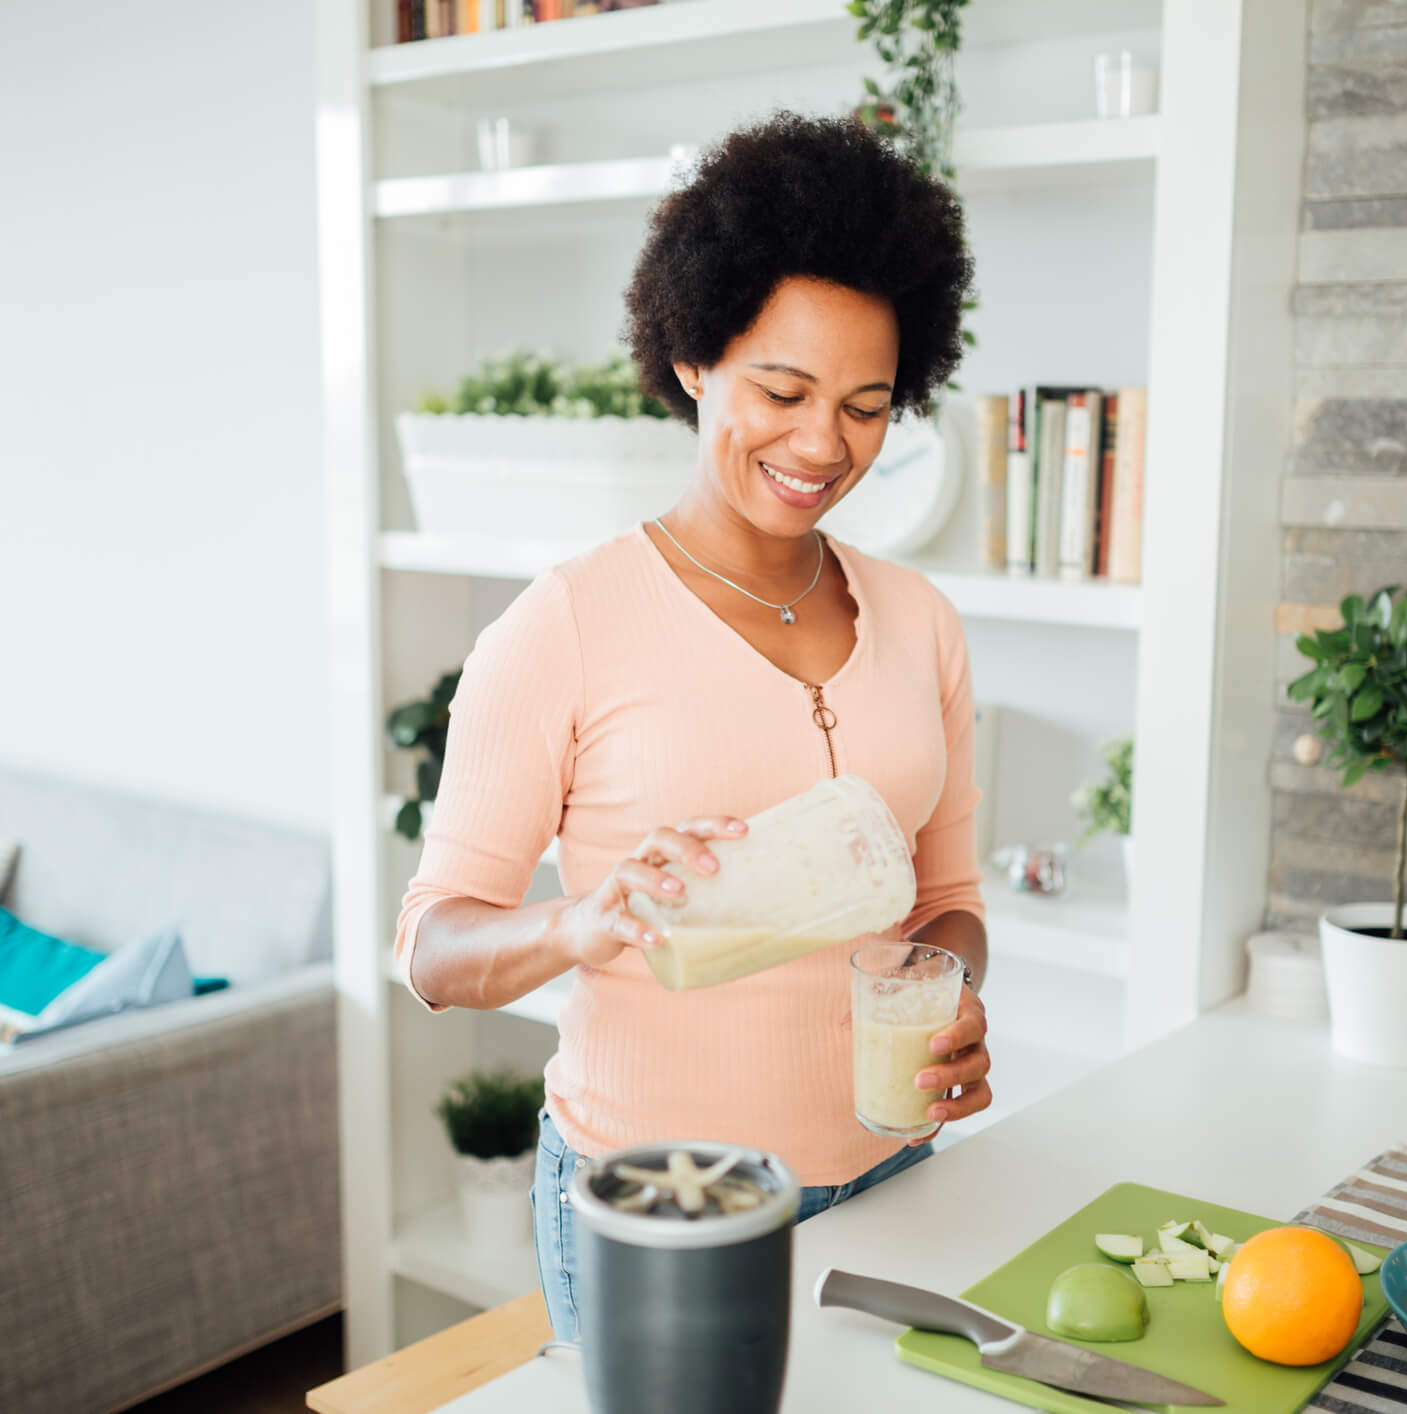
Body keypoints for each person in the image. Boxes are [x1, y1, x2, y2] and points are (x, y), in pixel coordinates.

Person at [394, 111, 989, 1342]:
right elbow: (433, 949)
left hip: (893, 1171)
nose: (823, 444)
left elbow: (951, 900)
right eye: (782, 389)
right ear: (691, 359)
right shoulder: (564, 623)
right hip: (662, 1197)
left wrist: (952, 997)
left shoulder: (922, 620)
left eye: (869, 406)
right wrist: (583, 922)